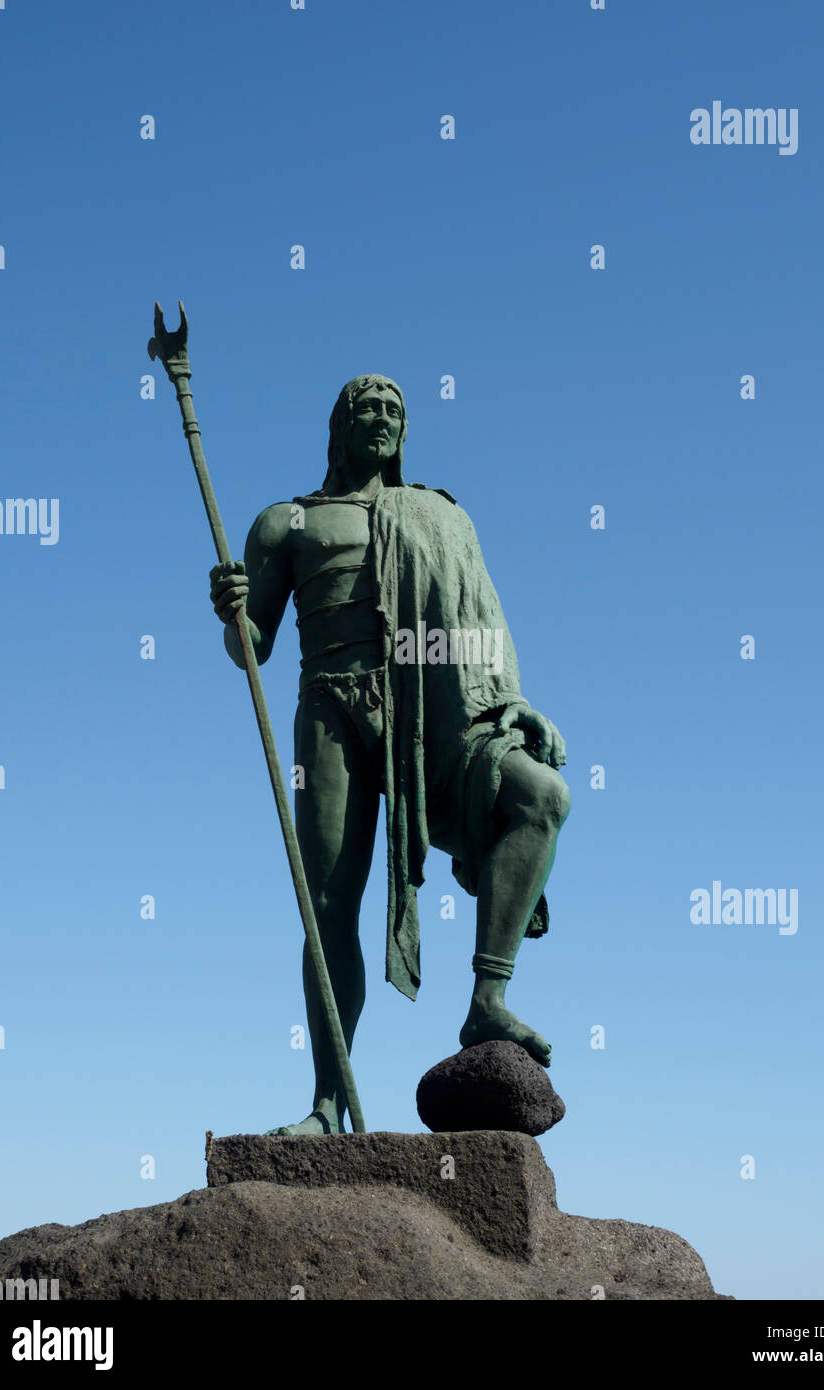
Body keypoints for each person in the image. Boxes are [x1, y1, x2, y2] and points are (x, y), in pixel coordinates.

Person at [210, 375, 569, 1135]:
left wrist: (513, 700)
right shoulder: (288, 522)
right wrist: (234, 613)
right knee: (331, 902)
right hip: (332, 708)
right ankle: (327, 1105)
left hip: (429, 717)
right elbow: (255, 649)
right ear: (336, 428)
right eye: (365, 409)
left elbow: (480, 620)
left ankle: (486, 1001)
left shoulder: (436, 514)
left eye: (393, 412)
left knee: (540, 797)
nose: (380, 419)